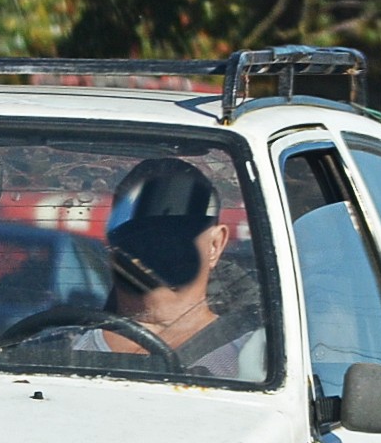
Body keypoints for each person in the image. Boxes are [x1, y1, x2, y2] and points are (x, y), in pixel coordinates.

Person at [77, 157, 264, 379]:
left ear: (215, 244)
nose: (156, 248)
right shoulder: (52, 351)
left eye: (175, 236)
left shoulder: (254, 360)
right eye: (138, 236)